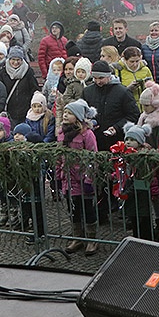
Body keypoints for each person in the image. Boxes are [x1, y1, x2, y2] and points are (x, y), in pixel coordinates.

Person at [56, 99, 99, 255]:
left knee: (88, 209)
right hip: (68, 179)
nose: (65, 115)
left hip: (83, 178)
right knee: (73, 209)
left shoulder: (87, 134)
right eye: (65, 112)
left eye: (69, 113)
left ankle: (92, 239)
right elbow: (58, 156)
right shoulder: (62, 134)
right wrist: (58, 176)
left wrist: (89, 179)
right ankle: (78, 237)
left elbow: (92, 157)